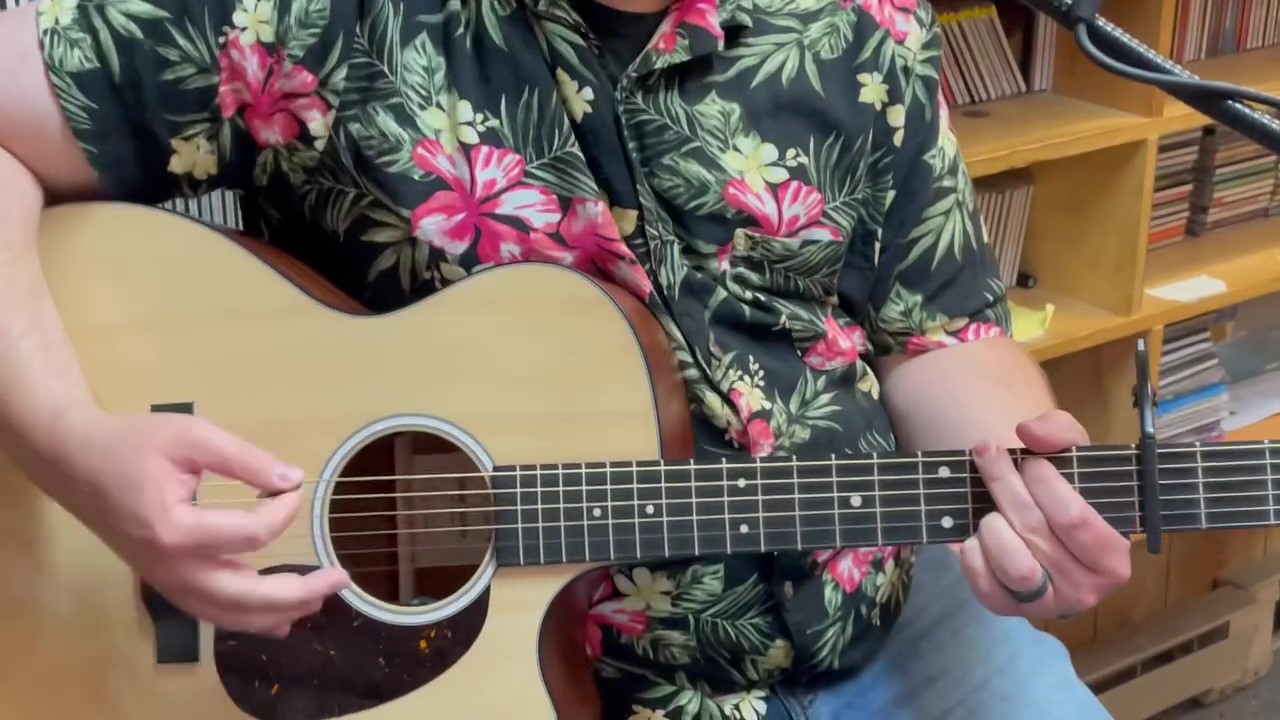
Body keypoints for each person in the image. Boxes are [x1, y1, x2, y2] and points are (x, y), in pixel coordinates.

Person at [0, 0, 1133, 718]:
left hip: (877, 611)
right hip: (510, 678)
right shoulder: (306, 19)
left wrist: (1025, 512)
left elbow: (938, 333)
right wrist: (69, 444)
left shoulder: (866, 25)